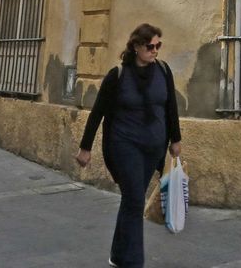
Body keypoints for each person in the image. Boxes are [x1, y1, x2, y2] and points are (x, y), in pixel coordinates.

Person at [75, 23, 182, 268]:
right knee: (135, 200)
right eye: (150, 46)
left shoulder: (164, 71)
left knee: (131, 200)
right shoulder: (118, 75)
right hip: (124, 145)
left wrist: (176, 140)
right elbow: (98, 112)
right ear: (136, 46)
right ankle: (134, 262)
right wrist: (85, 147)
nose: (155, 51)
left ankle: (118, 254)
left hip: (153, 148)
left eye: (158, 46)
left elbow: (171, 108)